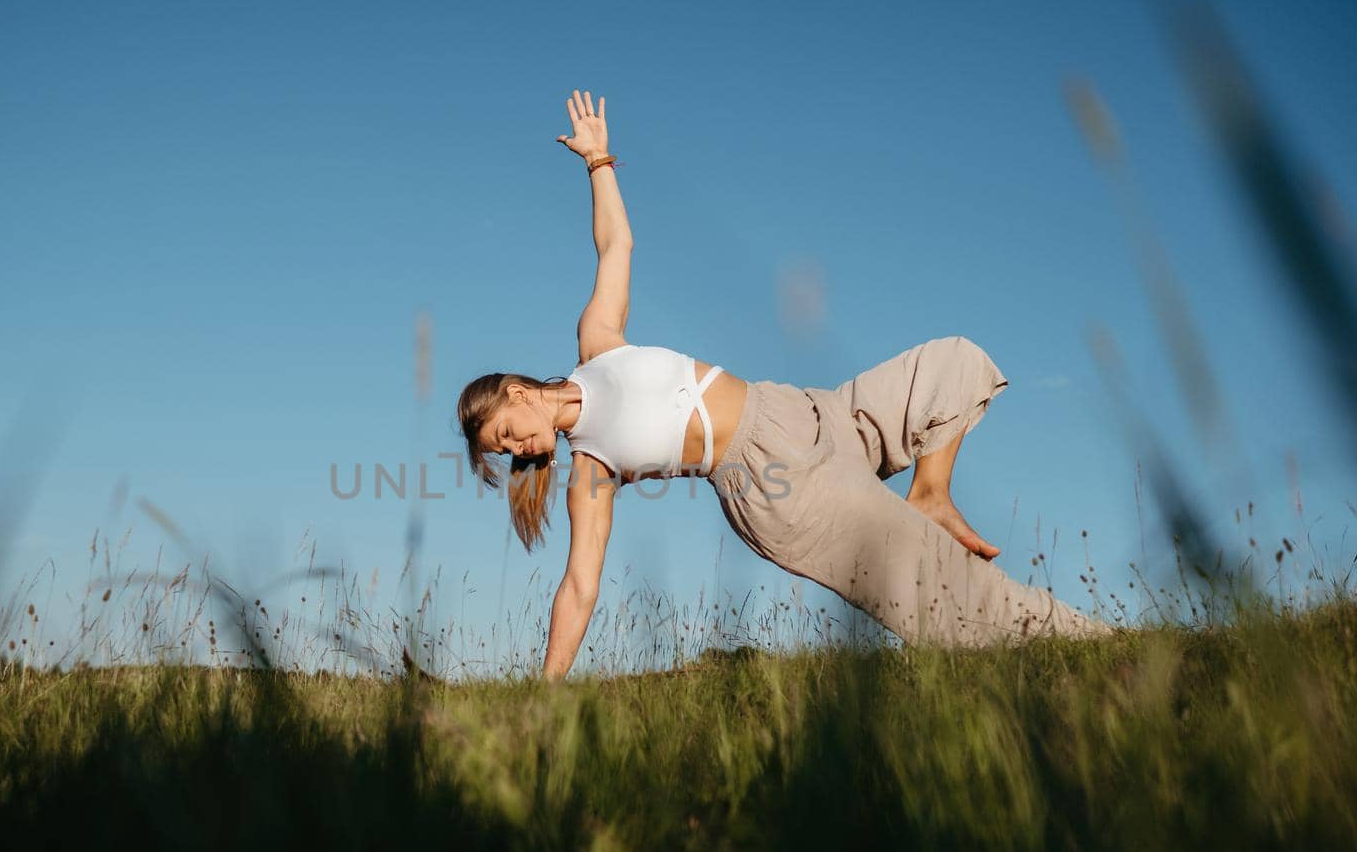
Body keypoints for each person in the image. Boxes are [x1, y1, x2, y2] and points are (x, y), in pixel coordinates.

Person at [457, 89, 1115, 680]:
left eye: (506, 435)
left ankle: (932, 494)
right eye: (505, 452)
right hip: (775, 484)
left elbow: (615, 246)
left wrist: (598, 163)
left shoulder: (597, 344)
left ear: (517, 394)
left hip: (805, 411)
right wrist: (544, 693)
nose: (518, 450)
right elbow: (579, 585)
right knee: (939, 586)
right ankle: (1096, 650)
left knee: (953, 366)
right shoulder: (591, 470)